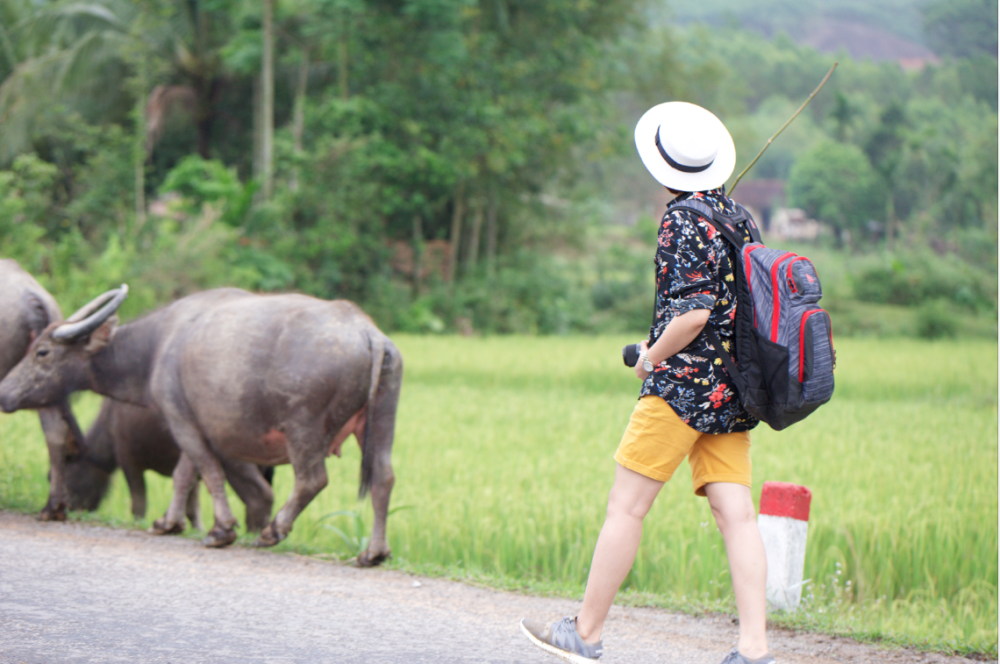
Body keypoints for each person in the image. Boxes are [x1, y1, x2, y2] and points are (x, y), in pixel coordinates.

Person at [520, 101, 775, 664]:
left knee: (626, 507)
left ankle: (584, 633)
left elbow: (694, 313)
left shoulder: (680, 219)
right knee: (738, 516)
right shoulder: (739, 217)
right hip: (733, 392)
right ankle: (754, 650)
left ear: (663, 166)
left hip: (683, 388)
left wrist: (650, 357)